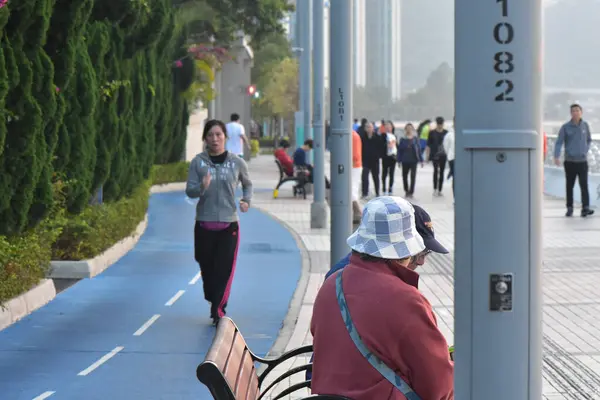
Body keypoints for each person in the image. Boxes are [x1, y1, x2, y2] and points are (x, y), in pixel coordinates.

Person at [310, 197, 454, 399]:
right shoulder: (405, 300)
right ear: (407, 248)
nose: (420, 261)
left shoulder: (331, 284)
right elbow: (439, 387)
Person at [186, 119, 253, 326]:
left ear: (225, 137)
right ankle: (212, 297)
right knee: (206, 266)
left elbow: (247, 184)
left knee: (224, 269)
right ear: (205, 138)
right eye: (210, 135)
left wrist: (246, 200)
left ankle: (218, 310)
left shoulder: (236, 162)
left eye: (218, 135)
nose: (215, 139)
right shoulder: (198, 162)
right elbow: (190, 190)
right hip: (204, 224)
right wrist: (202, 187)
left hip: (228, 225)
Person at [554, 103, 594, 217]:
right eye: (573, 111)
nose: (575, 112)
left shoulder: (585, 125)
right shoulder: (565, 127)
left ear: (581, 112)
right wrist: (556, 156)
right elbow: (559, 142)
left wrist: (585, 150)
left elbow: (589, 140)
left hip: (582, 161)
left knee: (584, 185)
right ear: (571, 113)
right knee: (569, 186)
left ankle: (585, 208)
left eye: (577, 110)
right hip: (570, 161)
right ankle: (569, 207)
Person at [360, 122, 386, 198]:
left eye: (370, 127)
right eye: (367, 127)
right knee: (364, 177)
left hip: (375, 160)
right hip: (365, 160)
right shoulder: (362, 137)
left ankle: (377, 192)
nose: (369, 128)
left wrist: (379, 155)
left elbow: (382, 147)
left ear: (373, 128)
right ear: (365, 128)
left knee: (376, 177)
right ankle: (365, 193)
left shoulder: (377, 137)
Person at [397, 123, 423, 198]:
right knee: (404, 176)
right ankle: (406, 190)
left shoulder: (415, 139)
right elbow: (400, 150)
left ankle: (411, 191)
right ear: (405, 129)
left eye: (410, 128)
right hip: (405, 160)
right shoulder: (402, 139)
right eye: (407, 128)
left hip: (413, 160)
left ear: (412, 129)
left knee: (413, 176)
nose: (409, 129)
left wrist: (421, 160)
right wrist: (398, 160)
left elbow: (418, 150)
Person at [426, 116, 448, 197]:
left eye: (441, 124)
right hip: (434, 154)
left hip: (443, 154)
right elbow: (428, 145)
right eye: (439, 124)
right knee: (435, 171)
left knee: (441, 172)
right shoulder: (432, 133)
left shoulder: (446, 133)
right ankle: (435, 188)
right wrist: (427, 156)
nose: (440, 125)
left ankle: (440, 190)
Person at [381, 121, 398, 195]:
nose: (388, 127)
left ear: (392, 127)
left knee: (392, 173)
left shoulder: (394, 135)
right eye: (386, 126)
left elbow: (396, 146)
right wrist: (386, 145)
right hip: (385, 157)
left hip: (393, 157)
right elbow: (380, 145)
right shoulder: (383, 135)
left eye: (389, 126)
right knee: (384, 173)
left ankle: (390, 188)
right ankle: (384, 188)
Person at [352, 129, 363, 222]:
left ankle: (358, 213)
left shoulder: (353, 136)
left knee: (352, 191)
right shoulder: (353, 135)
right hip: (353, 166)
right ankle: (357, 213)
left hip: (353, 167)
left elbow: (355, 155)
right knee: (352, 190)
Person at [443, 118, 456, 200]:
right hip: (453, 158)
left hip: (462, 158)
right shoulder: (450, 134)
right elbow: (446, 146)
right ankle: (455, 196)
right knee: (456, 177)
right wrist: (449, 155)